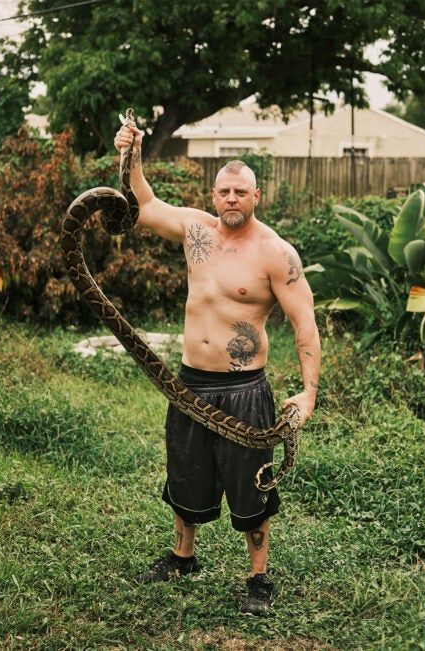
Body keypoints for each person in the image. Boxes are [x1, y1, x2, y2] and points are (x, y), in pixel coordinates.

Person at [113, 124, 320, 614]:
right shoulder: (195, 229)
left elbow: (304, 322)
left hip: (245, 388)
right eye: (224, 191)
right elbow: (142, 202)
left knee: (251, 486)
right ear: (214, 194)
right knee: (185, 475)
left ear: (256, 196)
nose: (231, 199)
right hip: (190, 383)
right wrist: (132, 153)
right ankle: (183, 557)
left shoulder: (276, 253)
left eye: (240, 192)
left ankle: (258, 578)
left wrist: (309, 393)